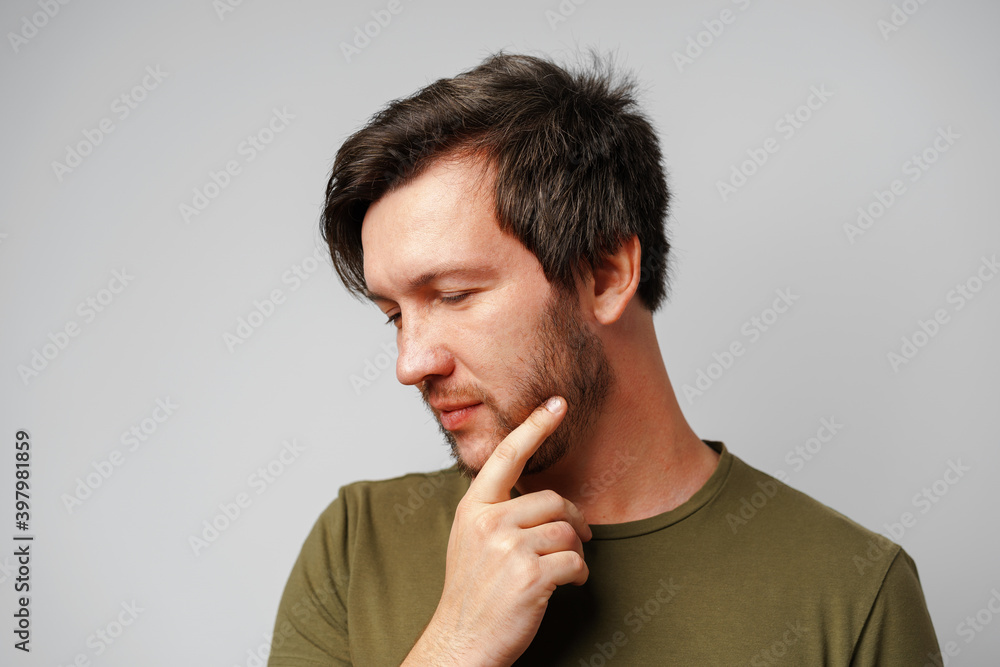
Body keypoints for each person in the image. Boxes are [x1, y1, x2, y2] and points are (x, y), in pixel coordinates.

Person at [267, 51, 941, 666]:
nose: (410, 362)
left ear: (605, 274)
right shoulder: (357, 546)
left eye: (453, 294)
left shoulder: (854, 590)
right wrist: (456, 643)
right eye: (394, 315)